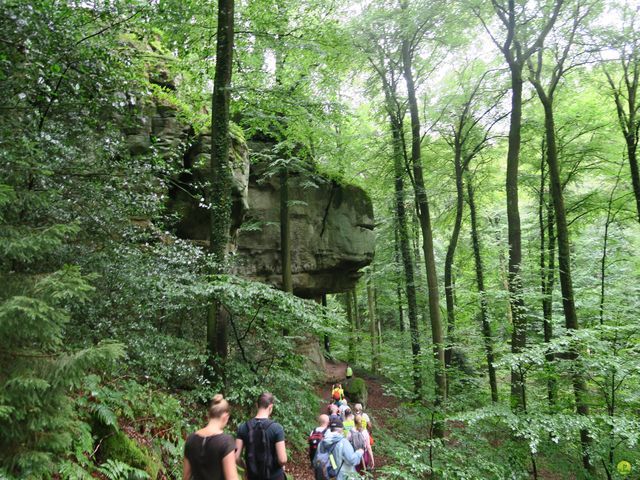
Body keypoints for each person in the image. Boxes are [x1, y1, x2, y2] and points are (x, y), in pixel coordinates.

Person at [183, 394, 238, 480]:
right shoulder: (226, 442)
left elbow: (186, 477)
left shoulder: (191, 439)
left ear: (209, 414)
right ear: (225, 416)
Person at [236, 392, 287, 480]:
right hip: (274, 476)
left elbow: (236, 457)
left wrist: (246, 469)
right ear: (271, 407)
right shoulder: (277, 428)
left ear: (257, 405)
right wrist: (281, 466)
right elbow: (282, 459)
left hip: (253, 477)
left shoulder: (243, 427)